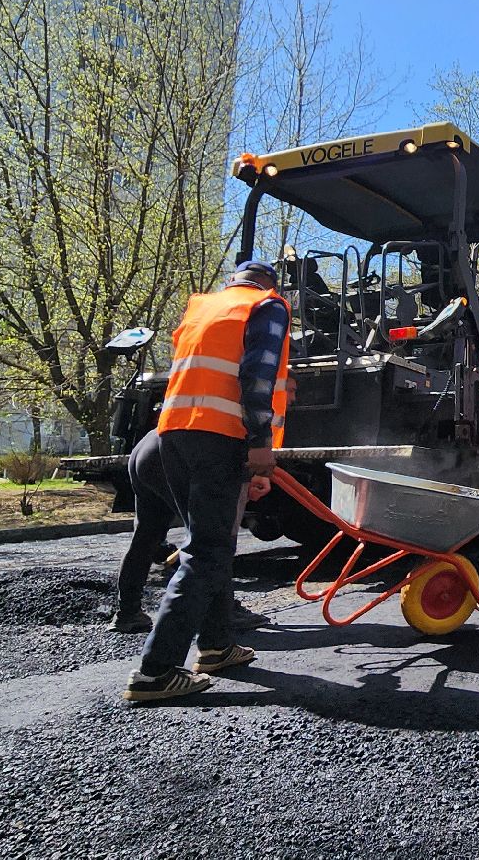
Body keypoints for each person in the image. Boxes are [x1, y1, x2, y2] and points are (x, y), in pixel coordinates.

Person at [123, 260, 289, 703]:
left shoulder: (202, 308)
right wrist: (259, 443)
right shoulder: (267, 306)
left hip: (171, 433)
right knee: (208, 550)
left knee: (209, 542)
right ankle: (155, 672)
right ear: (269, 284)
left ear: (233, 282)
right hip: (221, 436)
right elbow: (258, 376)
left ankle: (216, 647)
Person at [110, 427, 272, 635]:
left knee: (146, 536)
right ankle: (226, 611)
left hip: (147, 447)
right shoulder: (254, 407)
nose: (293, 398)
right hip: (173, 452)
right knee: (210, 538)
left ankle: (127, 613)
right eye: (293, 391)